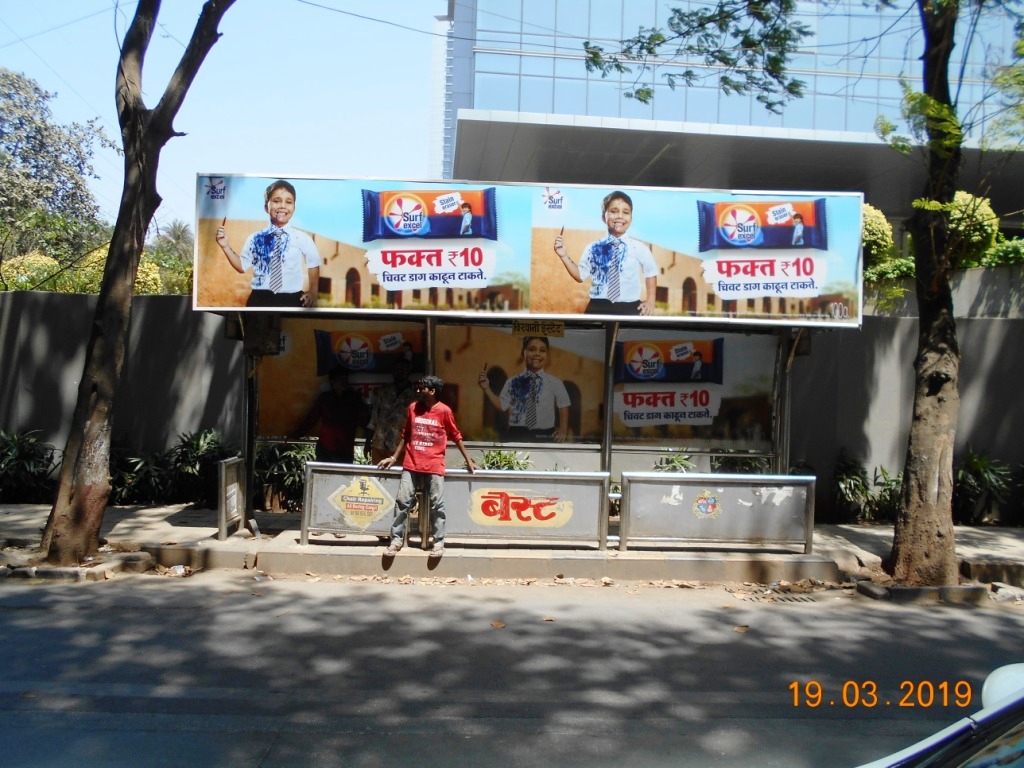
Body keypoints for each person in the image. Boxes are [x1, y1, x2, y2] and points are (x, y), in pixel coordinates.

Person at [378, 375, 476, 558]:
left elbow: (456, 435)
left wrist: (468, 460)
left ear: (432, 391)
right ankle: (396, 540)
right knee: (402, 503)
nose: (418, 391)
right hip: (411, 463)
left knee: (437, 505)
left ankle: (438, 543)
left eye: (422, 388)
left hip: (434, 465)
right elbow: (406, 434)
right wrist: (394, 456)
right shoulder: (413, 408)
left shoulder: (444, 411)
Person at [215, 179, 321, 308]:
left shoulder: (302, 238)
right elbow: (242, 267)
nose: (282, 206)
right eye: (276, 201)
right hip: (260, 299)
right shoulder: (255, 238)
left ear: (294, 207)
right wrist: (225, 245)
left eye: (288, 202)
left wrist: (313, 292)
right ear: (266, 207)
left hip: (292, 299)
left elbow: (313, 264)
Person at [552, 190, 658, 316]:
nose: (619, 216)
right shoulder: (593, 247)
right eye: (614, 211)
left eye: (625, 212)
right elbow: (580, 276)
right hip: (598, 306)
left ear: (631, 218)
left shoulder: (639, 248)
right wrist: (563, 256)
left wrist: (651, 300)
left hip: (630, 307)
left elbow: (651, 272)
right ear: (604, 217)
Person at [477, 336, 571, 442]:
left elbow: (564, 404)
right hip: (517, 433)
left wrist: (563, 429)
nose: (537, 354)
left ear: (547, 355)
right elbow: (502, 405)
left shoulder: (555, 382)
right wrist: (487, 389)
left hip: (544, 435)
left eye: (542, 350)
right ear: (523, 354)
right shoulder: (512, 382)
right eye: (532, 349)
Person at [290, 367, 369, 463]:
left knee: (343, 477)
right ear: (332, 381)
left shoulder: (354, 398)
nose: (344, 382)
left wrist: (369, 441)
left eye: (346, 379)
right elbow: (312, 419)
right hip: (325, 448)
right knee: (321, 476)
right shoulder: (325, 398)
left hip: (345, 449)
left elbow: (364, 420)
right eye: (341, 379)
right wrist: (296, 435)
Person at [365, 359, 417, 464]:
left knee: (397, 478)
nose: (399, 371)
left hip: (400, 448)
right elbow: (374, 419)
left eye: (402, 369)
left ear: (409, 372)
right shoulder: (384, 391)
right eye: (396, 369)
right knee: (376, 479)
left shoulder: (416, 396)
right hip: (379, 444)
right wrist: (367, 443)